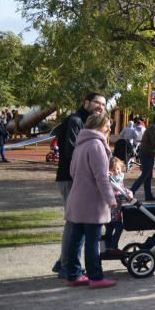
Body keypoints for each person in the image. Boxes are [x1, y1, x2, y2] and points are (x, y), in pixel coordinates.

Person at [53, 92, 107, 279]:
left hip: (78, 179)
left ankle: (65, 263)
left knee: (77, 223)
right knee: (74, 223)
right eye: (97, 103)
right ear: (86, 102)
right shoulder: (76, 121)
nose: (100, 106)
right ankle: (67, 265)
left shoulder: (90, 124)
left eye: (103, 104)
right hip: (71, 178)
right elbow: (71, 153)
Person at [63, 112, 118, 289]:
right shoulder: (96, 144)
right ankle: (95, 276)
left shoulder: (81, 144)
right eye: (107, 125)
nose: (110, 128)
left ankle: (73, 274)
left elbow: (72, 171)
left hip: (77, 197)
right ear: (99, 126)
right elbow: (101, 177)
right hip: (92, 200)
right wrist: (110, 198)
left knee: (76, 238)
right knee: (93, 241)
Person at [132, 113, 155, 201]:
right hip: (146, 154)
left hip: (147, 153)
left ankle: (148, 195)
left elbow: (153, 144)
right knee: (145, 175)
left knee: (148, 176)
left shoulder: (153, 127)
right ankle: (130, 192)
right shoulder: (154, 128)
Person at [102, 159, 132, 258]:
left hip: (115, 211)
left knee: (109, 230)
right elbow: (117, 192)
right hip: (112, 211)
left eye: (118, 169)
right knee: (118, 228)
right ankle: (113, 247)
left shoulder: (118, 179)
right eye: (114, 170)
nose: (117, 171)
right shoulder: (110, 181)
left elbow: (121, 189)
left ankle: (108, 248)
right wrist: (126, 195)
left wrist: (127, 192)